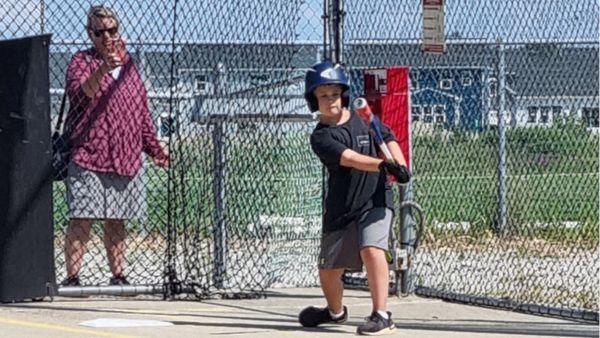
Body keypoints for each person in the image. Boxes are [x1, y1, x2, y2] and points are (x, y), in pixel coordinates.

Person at [298, 60, 410, 335]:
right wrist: (383, 165)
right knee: (329, 269)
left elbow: (387, 136)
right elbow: (350, 159)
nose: (330, 100)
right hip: (343, 206)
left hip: (375, 199)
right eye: (323, 95)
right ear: (313, 99)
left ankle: (381, 315)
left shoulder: (364, 117)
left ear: (343, 94)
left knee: (372, 248)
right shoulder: (321, 136)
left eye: (334, 94)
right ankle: (335, 313)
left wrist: (400, 163)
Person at [60, 5, 169, 287]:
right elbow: (80, 94)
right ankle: (73, 277)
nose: (107, 37)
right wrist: (104, 68)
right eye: (100, 32)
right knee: (82, 216)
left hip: (125, 156)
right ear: (90, 34)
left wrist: (156, 149)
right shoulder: (81, 61)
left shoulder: (131, 66)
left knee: (117, 219)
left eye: (112, 30)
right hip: (90, 155)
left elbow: (141, 113)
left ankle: (118, 274)